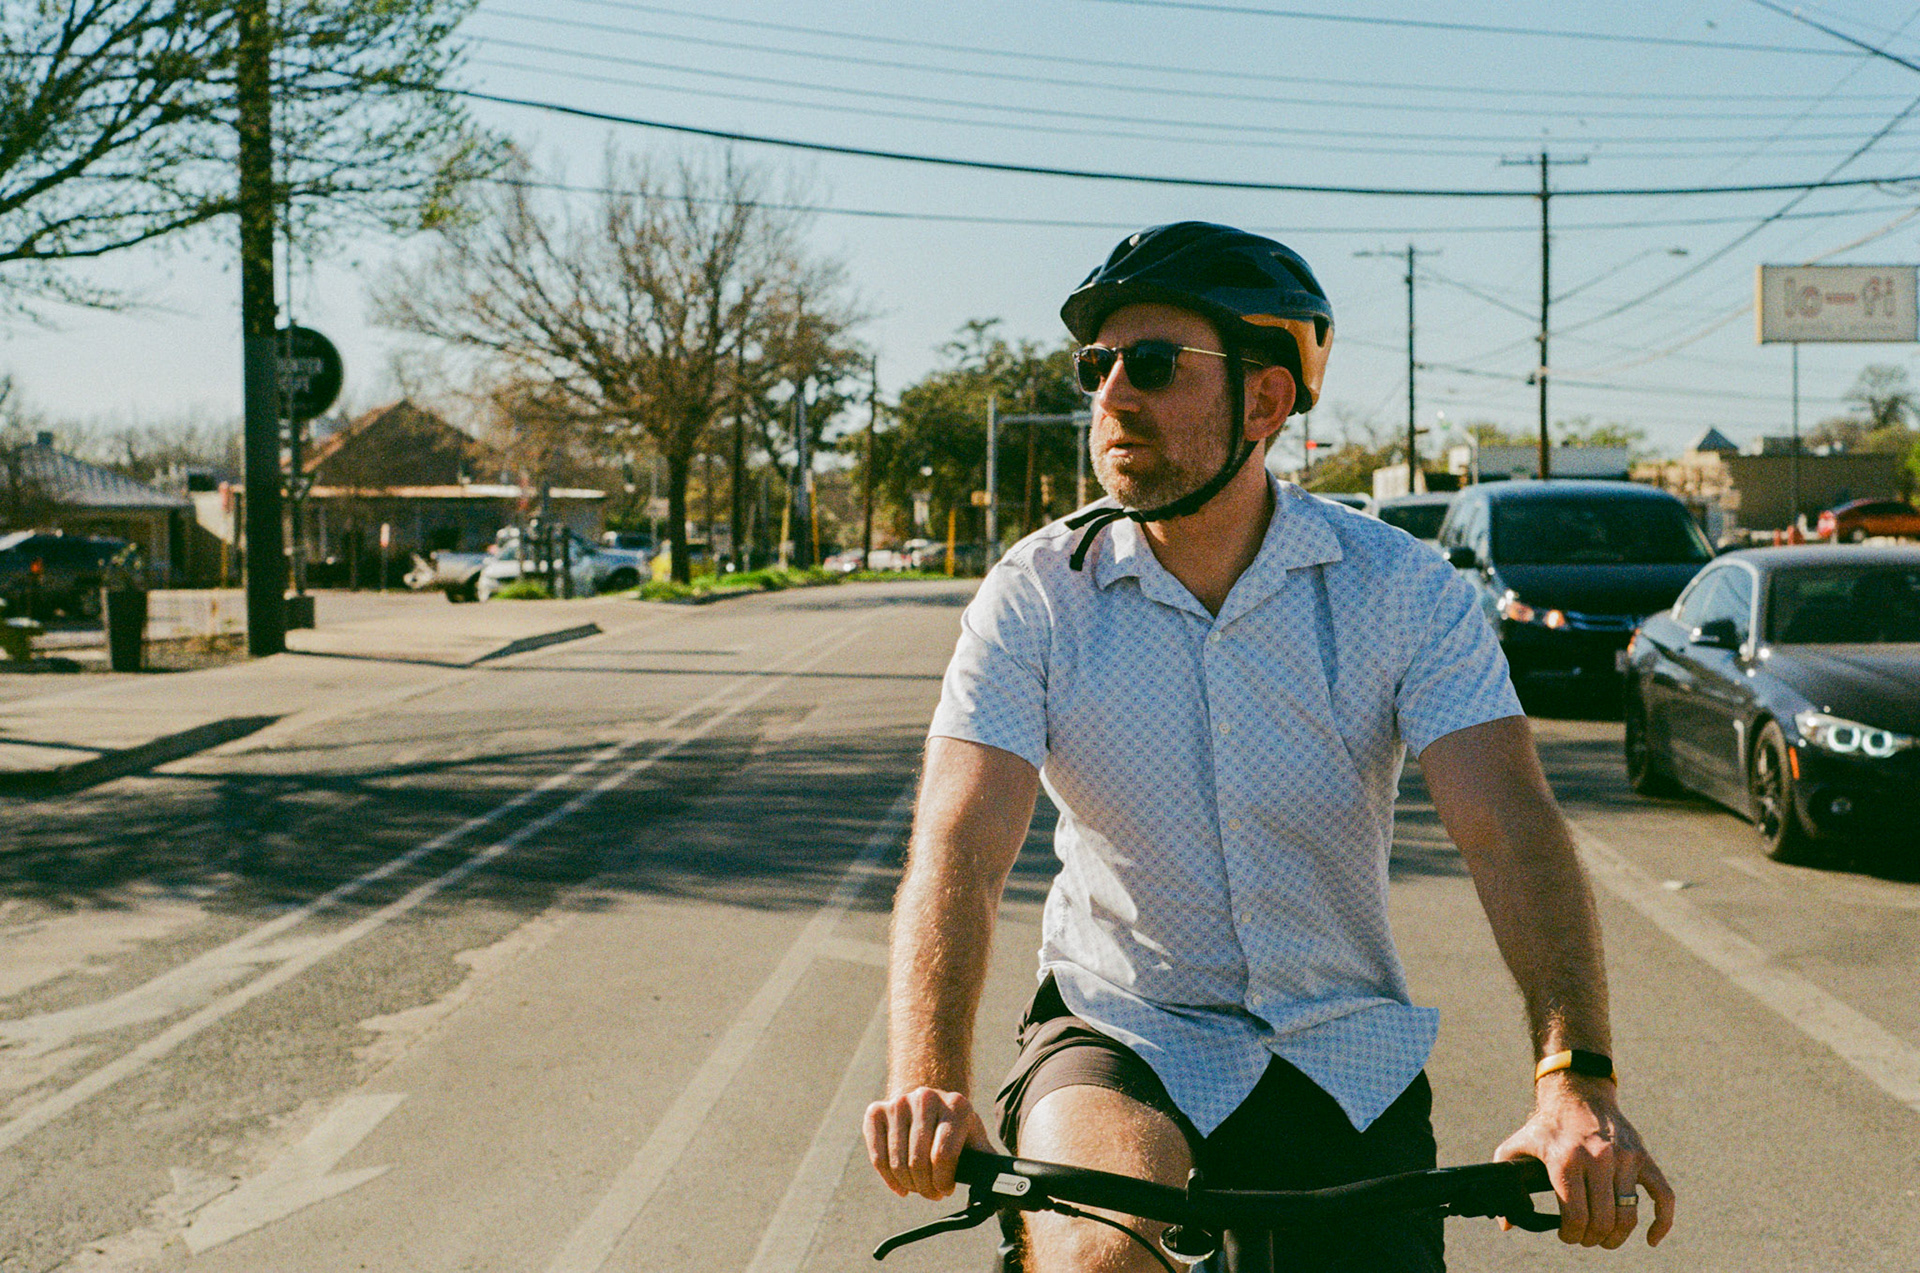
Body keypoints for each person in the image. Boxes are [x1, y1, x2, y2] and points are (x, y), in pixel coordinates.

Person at [863, 222, 1675, 1272]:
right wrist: (928, 1075)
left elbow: (1507, 826)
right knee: (1098, 1256)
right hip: (1125, 1032)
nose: (1112, 394)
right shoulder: (1038, 596)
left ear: (1267, 400)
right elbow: (960, 843)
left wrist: (1576, 1080)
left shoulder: (1401, 590)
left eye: (1152, 364)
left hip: (1344, 1048)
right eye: (1095, 367)